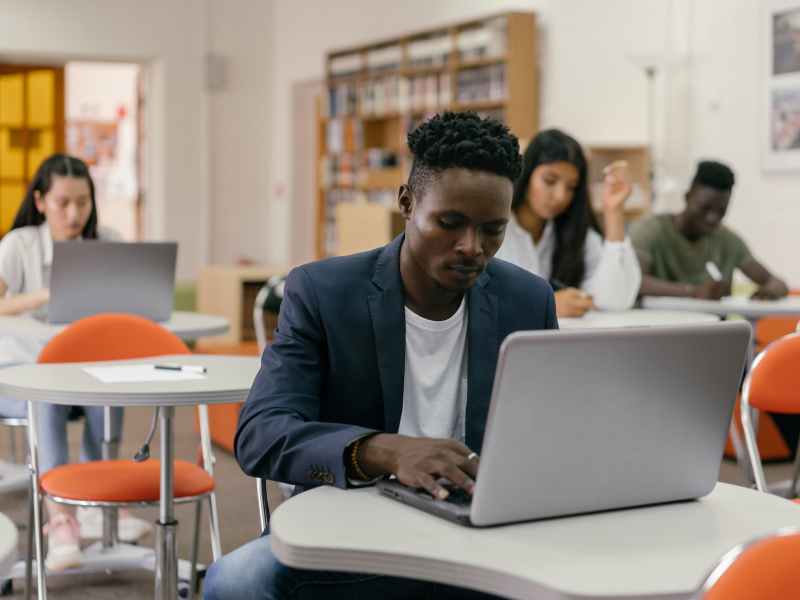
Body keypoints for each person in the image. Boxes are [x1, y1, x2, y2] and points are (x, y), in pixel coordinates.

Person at [204, 112, 558, 600]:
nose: (472, 248)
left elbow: (549, 433)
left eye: (492, 230)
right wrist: (385, 450)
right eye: (450, 224)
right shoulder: (323, 292)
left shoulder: (528, 299)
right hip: (353, 524)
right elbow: (261, 434)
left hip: (479, 530)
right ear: (408, 203)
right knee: (233, 582)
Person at [0, 154, 150, 571]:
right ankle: (59, 516)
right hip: (18, 375)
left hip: (84, 369)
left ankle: (98, 501)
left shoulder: (107, 242)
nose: (74, 213)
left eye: (83, 202)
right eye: (63, 202)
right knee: (45, 393)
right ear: (41, 201)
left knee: (106, 388)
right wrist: (45, 295)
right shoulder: (20, 245)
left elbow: (133, 302)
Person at [494, 129, 641, 318]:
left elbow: (615, 301)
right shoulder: (495, 228)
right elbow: (473, 302)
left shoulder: (575, 234)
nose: (560, 196)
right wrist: (546, 305)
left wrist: (614, 212)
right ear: (527, 173)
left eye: (571, 187)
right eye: (550, 181)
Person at [630, 160, 788, 300]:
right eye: (704, 208)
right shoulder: (650, 231)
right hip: (662, 329)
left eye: (721, 211)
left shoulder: (728, 241)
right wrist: (693, 292)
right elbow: (632, 281)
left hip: (717, 330)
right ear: (687, 196)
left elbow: (776, 283)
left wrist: (768, 292)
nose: (712, 218)